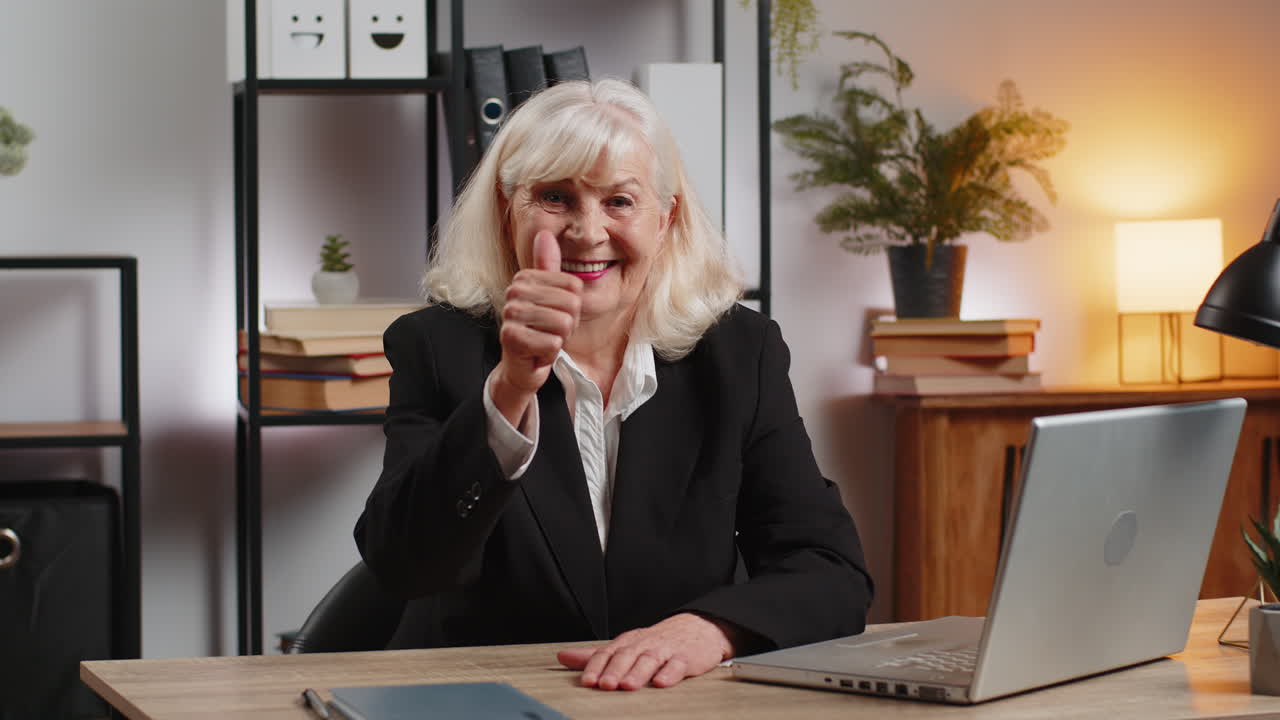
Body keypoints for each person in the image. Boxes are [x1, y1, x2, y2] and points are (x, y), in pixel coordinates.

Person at [354, 77, 873, 691]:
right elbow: (404, 566)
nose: (587, 231)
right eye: (554, 197)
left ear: (666, 218)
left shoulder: (739, 354)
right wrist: (511, 386)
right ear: (505, 209)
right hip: (486, 697)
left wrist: (710, 630)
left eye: (619, 202)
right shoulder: (437, 347)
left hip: (673, 703)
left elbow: (830, 570)